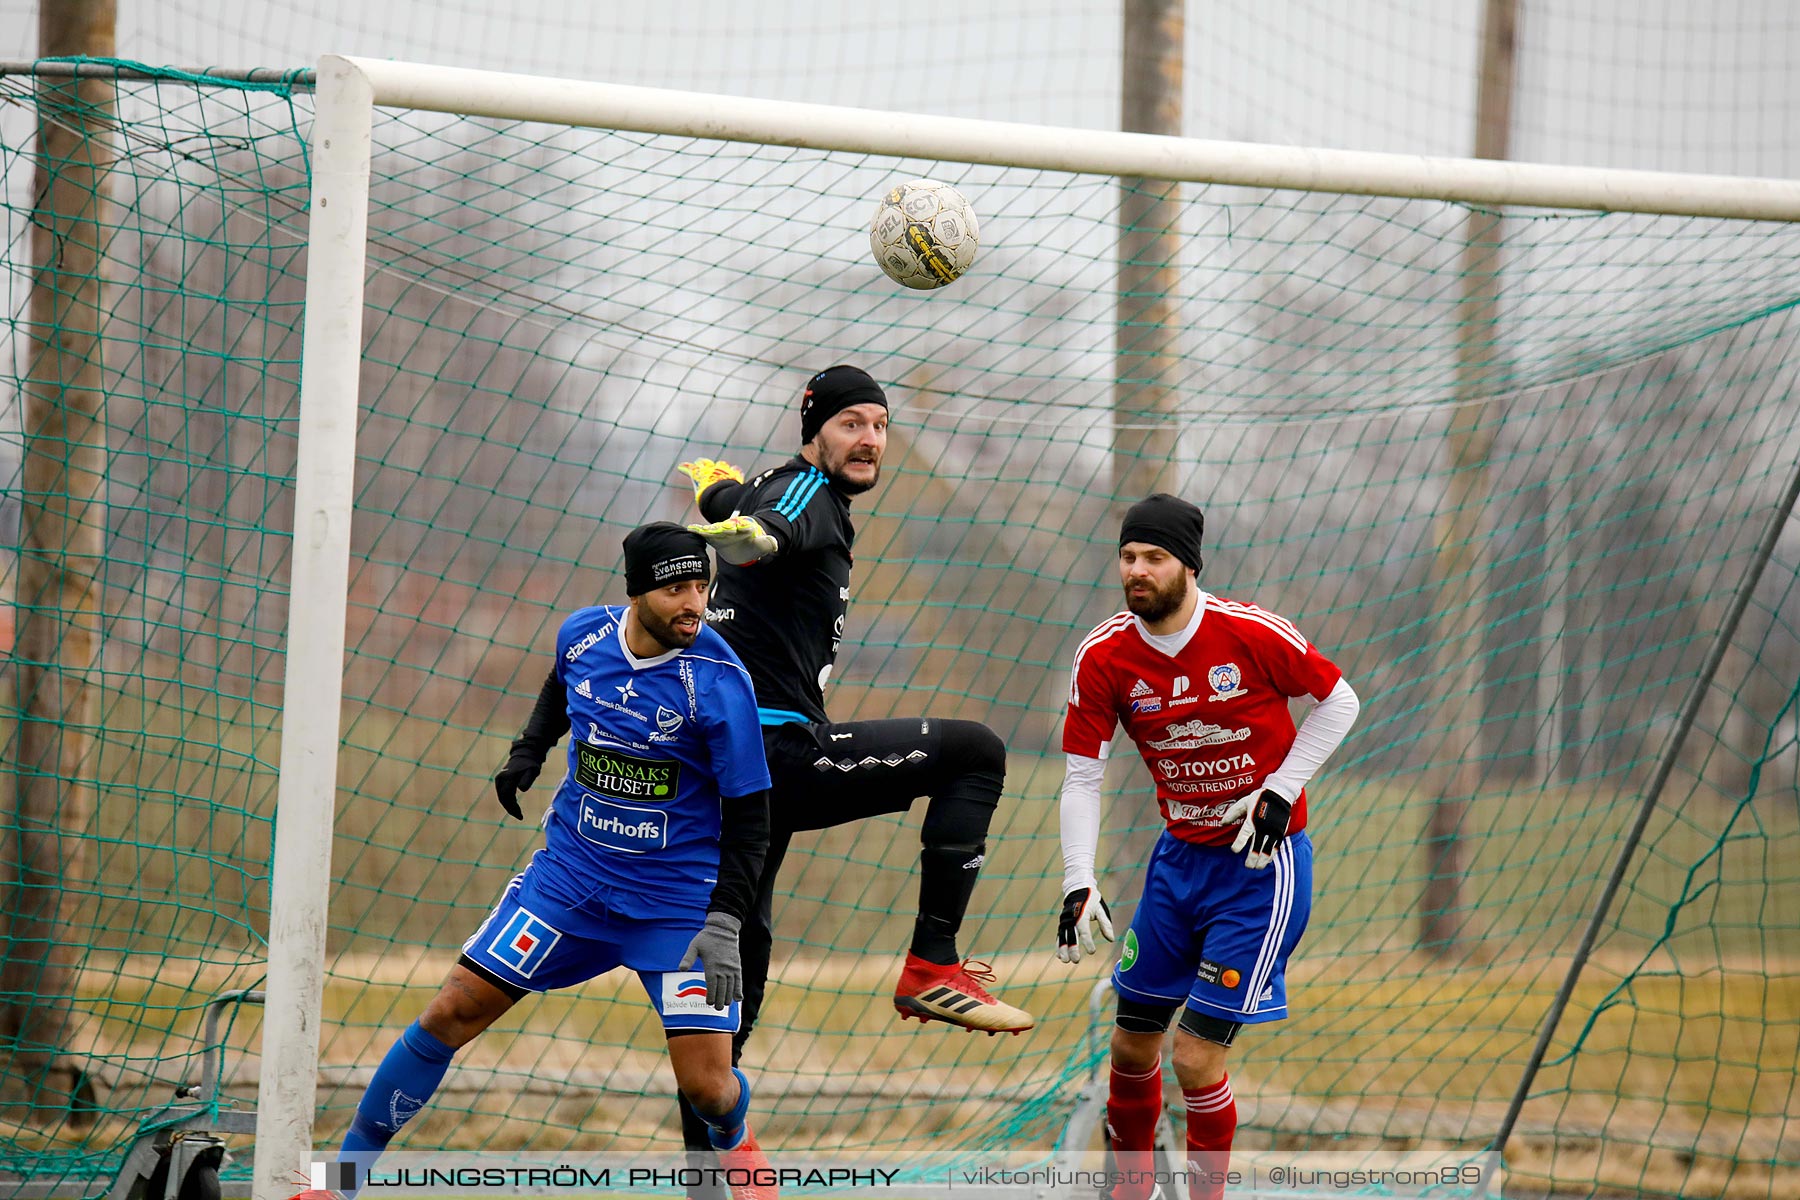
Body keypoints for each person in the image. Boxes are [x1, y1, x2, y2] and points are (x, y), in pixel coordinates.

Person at [291, 524, 776, 1200]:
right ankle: (337, 1183)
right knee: (447, 1014)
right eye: (676, 589)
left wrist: (725, 923)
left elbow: (753, 821)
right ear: (637, 591)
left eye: (702, 586)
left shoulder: (719, 681)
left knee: (709, 1088)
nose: (694, 602)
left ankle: (736, 1139)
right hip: (568, 886)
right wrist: (530, 749)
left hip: (676, 907)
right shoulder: (582, 635)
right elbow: (560, 686)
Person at [669, 365, 1033, 1169]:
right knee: (975, 752)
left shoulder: (771, 485)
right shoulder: (809, 495)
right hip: (775, 755)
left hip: (735, 773)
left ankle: (709, 1184)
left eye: (879, 425)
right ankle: (932, 963)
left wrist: (720, 500)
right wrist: (741, 531)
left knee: (729, 1016)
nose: (869, 439)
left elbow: (745, 510)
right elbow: (771, 529)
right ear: (814, 429)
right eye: (850, 424)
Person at [1054, 494, 1360, 1200]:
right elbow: (1082, 772)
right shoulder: (1104, 655)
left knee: (1193, 1058)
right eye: (1128, 557)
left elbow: (1339, 700)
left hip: (1259, 873)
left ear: (1188, 565)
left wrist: (1280, 790)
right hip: (1176, 865)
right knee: (1131, 1044)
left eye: (1153, 558)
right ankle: (1128, 1191)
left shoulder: (1250, 633)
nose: (1136, 571)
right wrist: (1079, 881)